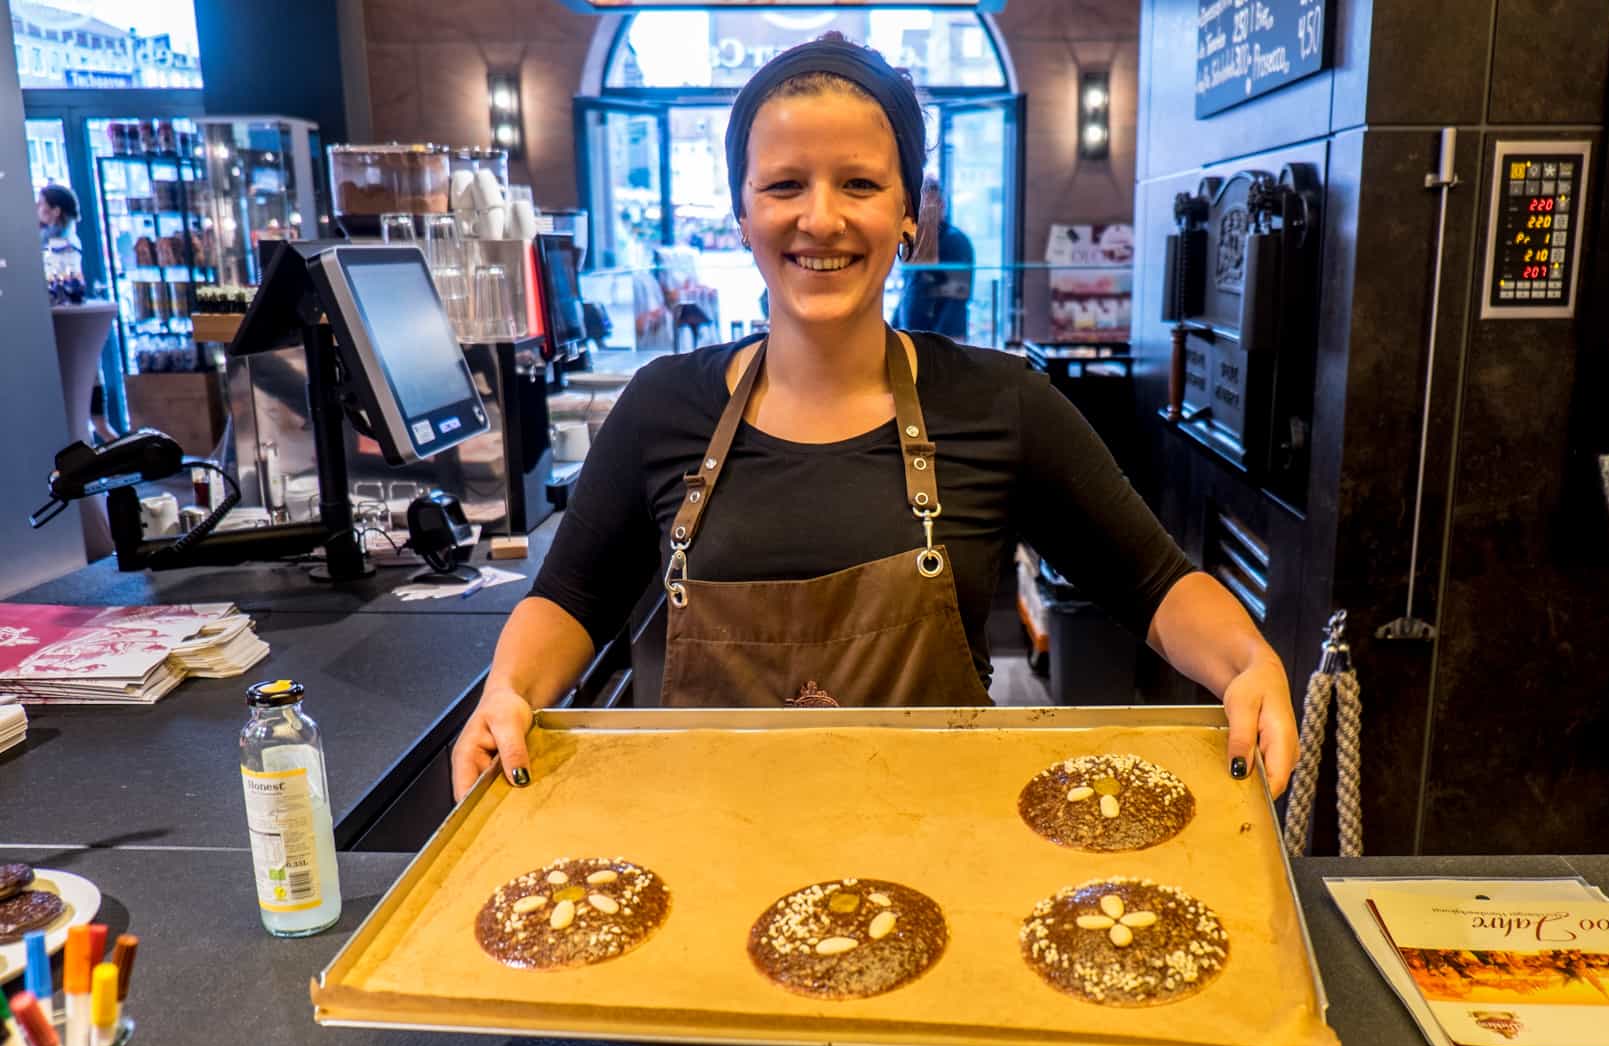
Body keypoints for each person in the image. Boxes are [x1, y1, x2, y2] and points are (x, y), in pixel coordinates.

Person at [452, 35, 1298, 799]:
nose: (821, 218)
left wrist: (1248, 665)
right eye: (784, 185)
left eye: (859, 183)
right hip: (712, 861)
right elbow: (570, 596)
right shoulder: (663, 405)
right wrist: (509, 692)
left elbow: (1152, 582)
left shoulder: (1001, 403)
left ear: (908, 215)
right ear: (743, 213)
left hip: (938, 858)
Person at [894, 175, 973, 339]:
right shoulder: (915, 238)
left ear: (941, 206)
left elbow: (954, 303)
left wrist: (937, 347)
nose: (920, 211)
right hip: (913, 338)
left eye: (926, 204)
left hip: (941, 344)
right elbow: (908, 291)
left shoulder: (955, 241)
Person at [37, 183, 80, 250]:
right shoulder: (69, 235)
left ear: (56, 211)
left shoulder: (54, 243)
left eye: (40, 203)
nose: (36, 207)